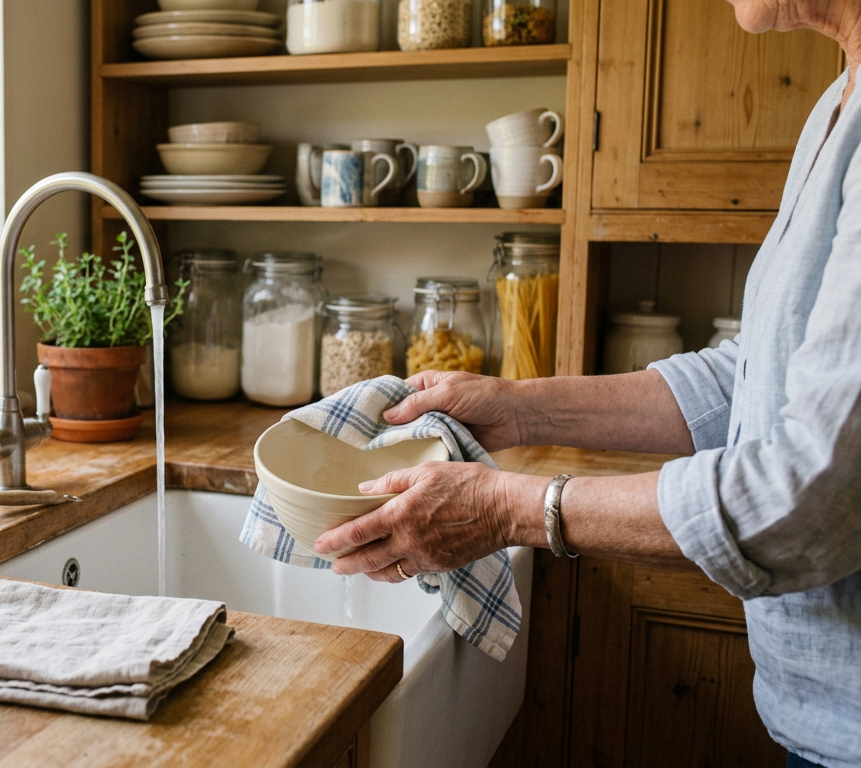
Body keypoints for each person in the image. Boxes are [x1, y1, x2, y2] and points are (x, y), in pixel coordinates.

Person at [313, 2, 861, 765]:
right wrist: (521, 407)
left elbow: (805, 497)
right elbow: (757, 378)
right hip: (812, 710)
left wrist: (509, 509)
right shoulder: (836, 108)